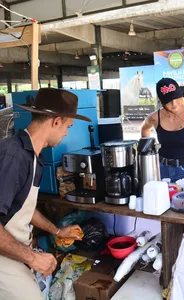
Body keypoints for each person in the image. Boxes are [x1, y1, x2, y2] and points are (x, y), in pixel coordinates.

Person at [0, 88, 90, 300]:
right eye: (68, 126)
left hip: (14, 251)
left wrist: (57, 231)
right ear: (56, 121)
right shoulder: (13, 156)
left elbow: (22, 208)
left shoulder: (33, 156)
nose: (67, 132)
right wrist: (32, 258)